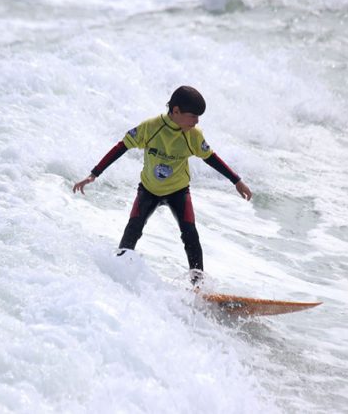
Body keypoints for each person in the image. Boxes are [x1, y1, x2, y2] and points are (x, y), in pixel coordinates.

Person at [73, 86, 252, 284]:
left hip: (178, 191)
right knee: (133, 229)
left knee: (190, 236)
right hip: (149, 189)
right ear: (176, 111)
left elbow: (210, 158)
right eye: (193, 116)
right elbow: (121, 147)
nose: (197, 121)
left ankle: (199, 288)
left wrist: (237, 180)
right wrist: (94, 174)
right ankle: (118, 275)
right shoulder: (151, 127)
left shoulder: (193, 135)